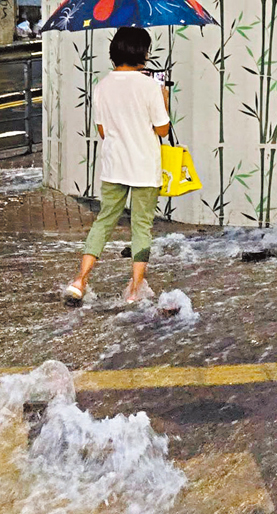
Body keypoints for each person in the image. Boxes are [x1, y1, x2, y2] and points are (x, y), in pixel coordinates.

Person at [63, 27, 171, 305]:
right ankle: (134, 290)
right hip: (144, 167)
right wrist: (165, 100)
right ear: (142, 53)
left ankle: (80, 281)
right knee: (141, 227)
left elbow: (102, 131)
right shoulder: (150, 87)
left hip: (114, 166)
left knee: (105, 220)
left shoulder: (102, 86)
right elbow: (162, 130)